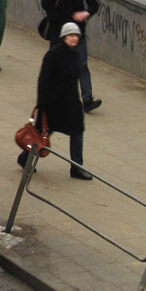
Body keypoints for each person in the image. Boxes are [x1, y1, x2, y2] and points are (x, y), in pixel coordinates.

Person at [18, 22, 92, 180]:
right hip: (53, 105)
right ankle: (25, 158)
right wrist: (42, 104)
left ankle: (76, 167)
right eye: (71, 35)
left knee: (77, 132)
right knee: (40, 136)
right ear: (64, 37)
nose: (74, 38)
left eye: (76, 36)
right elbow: (43, 80)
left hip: (71, 104)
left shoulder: (75, 54)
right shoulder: (54, 54)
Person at [41, 0, 102, 113]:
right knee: (56, 64)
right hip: (59, 32)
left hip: (78, 31)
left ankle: (87, 100)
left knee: (82, 64)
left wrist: (86, 13)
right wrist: (60, 21)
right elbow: (46, 2)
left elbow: (94, 4)